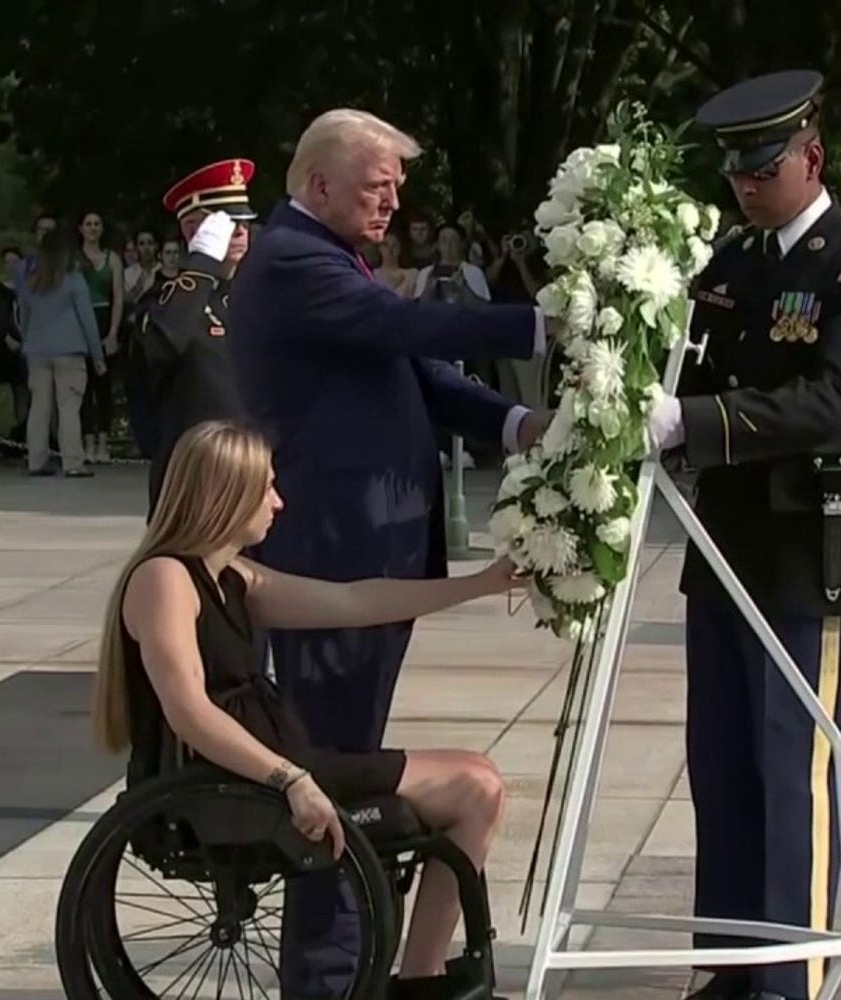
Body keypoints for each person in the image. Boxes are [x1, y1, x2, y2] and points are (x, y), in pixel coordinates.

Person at [225, 107, 550, 997]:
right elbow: (410, 332)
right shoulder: (294, 260)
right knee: (331, 771)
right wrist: (544, 324)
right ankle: (327, 979)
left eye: (398, 188)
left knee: (348, 753)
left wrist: (520, 422)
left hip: (369, 553)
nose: (394, 203)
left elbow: (416, 374)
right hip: (333, 556)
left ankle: (356, 966)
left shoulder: (333, 259)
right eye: (379, 186)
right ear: (319, 183)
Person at [646, 69, 841, 1000]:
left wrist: (695, 425)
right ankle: (735, 965)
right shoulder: (735, 263)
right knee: (722, 760)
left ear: (812, 157)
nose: (747, 186)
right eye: (736, 174)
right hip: (724, 542)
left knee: (792, 761)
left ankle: (790, 976)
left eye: (763, 168)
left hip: (811, 545)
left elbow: (838, 399)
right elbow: (687, 347)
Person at [91, 419, 512, 1000]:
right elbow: (188, 709)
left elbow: (354, 600)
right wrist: (290, 779)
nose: (278, 500)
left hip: (270, 764)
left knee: (481, 780)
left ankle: (424, 975)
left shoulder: (230, 575)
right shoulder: (165, 580)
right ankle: (421, 980)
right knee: (476, 788)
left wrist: (480, 585)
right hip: (238, 783)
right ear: (224, 494)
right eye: (266, 486)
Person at [135, 157, 257, 514]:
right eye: (228, 223)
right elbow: (162, 341)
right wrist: (201, 265)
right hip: (194, 478)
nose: (239, 231)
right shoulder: (165, 302)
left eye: (244, 222)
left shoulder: (253, 299)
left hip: (250, 474)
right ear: (192, 229)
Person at [15, 227, 106, 478]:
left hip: (37, 350)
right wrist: (97, 355)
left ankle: (36, 460)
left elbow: (24, 316)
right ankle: (73, 462)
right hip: (69, 351)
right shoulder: (74, 280)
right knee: (69, 408)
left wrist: (27, 341)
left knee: (39, 407)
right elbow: (87, 319)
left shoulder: (32, 280)